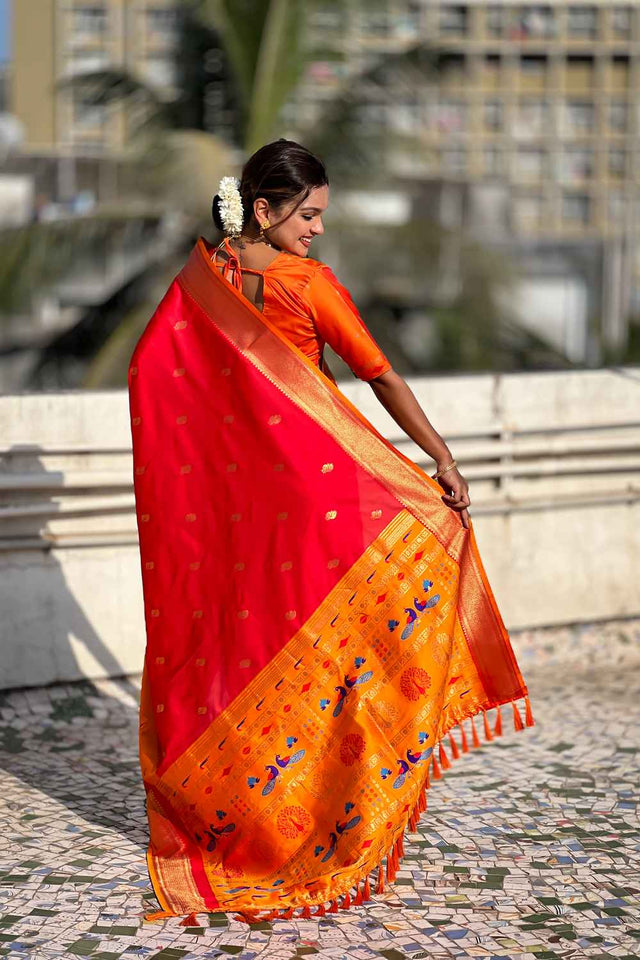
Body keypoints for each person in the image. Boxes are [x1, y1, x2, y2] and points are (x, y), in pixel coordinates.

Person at [128, 138, 533, 928]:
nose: (316, 230)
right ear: (264, 209)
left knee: (249, 655)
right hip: (323, 507)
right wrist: (440, 458)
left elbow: (151, 369)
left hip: (239, 518)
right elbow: (378, 372)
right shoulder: (305, 285)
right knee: (344, 655)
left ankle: (246, 822)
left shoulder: (200, 283)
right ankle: (325, 824)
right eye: (307, 215)